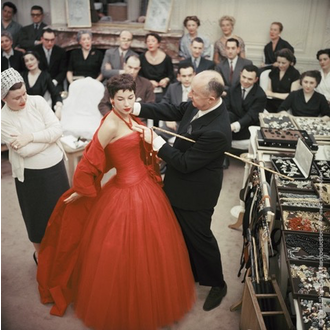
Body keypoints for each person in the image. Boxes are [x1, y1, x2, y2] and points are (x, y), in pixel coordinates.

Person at [36, 74, 195, 330]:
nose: (126, 103)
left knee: (154, 247)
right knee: (124, 250)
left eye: (130, 98)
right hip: (126, 189)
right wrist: (81, 188)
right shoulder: (110, 123)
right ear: (111, 99)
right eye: (120, 99)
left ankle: (152, 295)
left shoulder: (129, 115)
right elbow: (91, 157)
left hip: (145, 186)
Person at [133, 70, 231, 312]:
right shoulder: (198, 102)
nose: (189, 95)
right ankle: (192, 271)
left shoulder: (218, 130)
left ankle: (218, 283)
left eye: (194, 94)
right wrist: (135, 108)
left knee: (200, 238)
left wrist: (157, 142)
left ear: (211, 99)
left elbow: (185, 164)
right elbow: (172, 110)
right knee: (179, 232)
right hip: (178, 184)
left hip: (197, 193)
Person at [1, 68, 69, 265]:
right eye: (17, 98)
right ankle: (40, 255)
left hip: (55, 168)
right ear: (4, 99)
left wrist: (30, 137)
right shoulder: (3, 118)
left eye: (24, 94)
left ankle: (64, 251)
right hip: (30, 176)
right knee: (37, 217)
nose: (23, 100)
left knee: (62, 212)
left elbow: (57, 129)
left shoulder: (37, 101)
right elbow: (23, 151)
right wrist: (48, 138)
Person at [225, 65, 267, 140]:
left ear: (256, 79)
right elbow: (226, 108)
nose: (245, 81)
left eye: (250, 79)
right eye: (243, 77)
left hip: (248, 125)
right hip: (232, 120)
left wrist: (234, 126)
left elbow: (251, 116)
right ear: (240, 74)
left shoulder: (261, 95)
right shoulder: (233, 89)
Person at [159, 62, 195, 141]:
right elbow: (163, 104)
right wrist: (168, 119)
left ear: (194, 75)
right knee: (156, 134)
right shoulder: (173, 87)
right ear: (178, 77)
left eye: (190, 75)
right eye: (184, 76)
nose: (187, 79)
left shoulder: (199, 89)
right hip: (174, 125)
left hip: (192, 127)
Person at [21, 51, 63, 117]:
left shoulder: (45, 76)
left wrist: (59, 108)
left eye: (32, 59)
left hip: (39, 111)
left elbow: (55, 94)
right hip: (24, 110)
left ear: (37, 60)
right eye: (26, 61)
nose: (29, 62)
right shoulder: (22, 75)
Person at [139, 32, 174, 104]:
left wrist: (166, 80)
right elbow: (139, 75)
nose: (150, 43)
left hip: (162, 89)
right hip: (146, 88)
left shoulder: (166, 58)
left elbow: (171, 75)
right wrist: (148, 82)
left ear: (158, 44)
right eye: (148, 41)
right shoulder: (142, 57)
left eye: (153, 41)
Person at [33, 28, 68, 94]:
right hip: (39, 83)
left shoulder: (61, 52)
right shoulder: (35, 51)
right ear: (42, 39)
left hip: (56, 82)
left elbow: (63, 71)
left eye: (52, 40)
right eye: (47, 40)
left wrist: (54, 82)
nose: (50, 43)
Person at [265, 48, 300, 113]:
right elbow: (268, 91)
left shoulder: (295, 73)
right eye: (278, 62)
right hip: (272, 101)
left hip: (286, 103)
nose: (280, 65)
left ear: (290, 62)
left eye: (283, 63)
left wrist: (273, 94)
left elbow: (292, 95)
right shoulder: (274, 71)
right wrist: (271, 94)